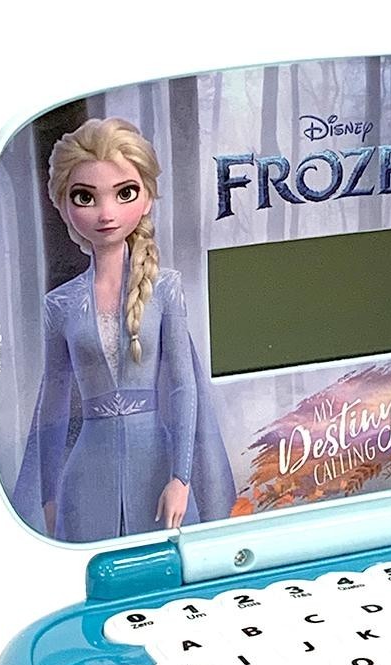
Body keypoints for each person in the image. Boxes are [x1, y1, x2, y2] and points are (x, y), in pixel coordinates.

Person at [13, 118, 235, 541]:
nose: (107, 213)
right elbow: (53, 406)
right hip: (86, 474)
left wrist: (181, 477)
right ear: (63, 205)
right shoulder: (60, 305)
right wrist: (48, 495)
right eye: (85, 197)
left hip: (157, 465)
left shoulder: (165, 288)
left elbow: (182, 387)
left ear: (147, 197)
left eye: (125, 193)